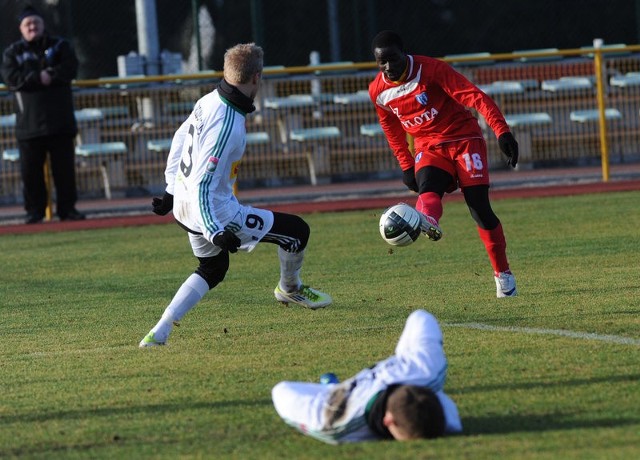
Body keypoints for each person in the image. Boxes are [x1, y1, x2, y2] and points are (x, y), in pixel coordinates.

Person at [139, 43, 331, 348]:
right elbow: (204, 183)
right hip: (214, 212)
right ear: (256, 77)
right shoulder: (228, 123)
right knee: (297, 232)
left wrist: (170, 190)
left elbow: (179, 139)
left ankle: (159, 331)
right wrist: (215, 231)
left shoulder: (208, 100)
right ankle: (290, 288)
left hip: (186, 209)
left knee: (212, 269)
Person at [368, 31, 518, 298]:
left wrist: (502, 131)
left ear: (405, 53)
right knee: (428, 189)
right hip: (428, 146)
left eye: (393, 59)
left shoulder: (432, 69)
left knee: (479, 209)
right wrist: (405, 165)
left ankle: (503, 274)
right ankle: (426, 220)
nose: (389, 67)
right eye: (382, 62)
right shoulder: (378, 92)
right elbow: (390, 128)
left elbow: (475, 96)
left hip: (464, 139)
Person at [272, 309, 462, 444]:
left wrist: (331, 392)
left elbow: (281, 391)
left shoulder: (334, 422)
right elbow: (420, 317)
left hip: (342, 397)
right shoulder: (426, 368)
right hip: (392, 382)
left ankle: (333, 387)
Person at [0, 5, 85, 224]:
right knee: (31, 174)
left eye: (36, 22)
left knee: (64, 172)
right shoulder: (13, 52)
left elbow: (70, 69)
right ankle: (34, 212)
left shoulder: (60, 46)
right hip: (29, 126)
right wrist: (39, 78)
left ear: (43, 24)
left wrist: (52, 74)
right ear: (21, 28)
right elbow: (12, 79)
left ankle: (68, 210)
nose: (32, 27)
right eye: (28, 24)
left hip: (61, 123)